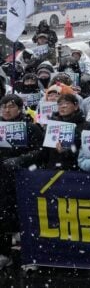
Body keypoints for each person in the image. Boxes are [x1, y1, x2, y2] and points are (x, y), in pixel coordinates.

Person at [0, 94, 44, 268]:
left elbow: (40, 151)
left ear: (19, 108)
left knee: (26, 216)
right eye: (3, 106)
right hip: (2, 180)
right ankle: (3, 253)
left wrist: (20, 160)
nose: (6, 110)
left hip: (23, 178)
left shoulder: (31, 128)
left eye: (10, 106)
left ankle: (30, 255)